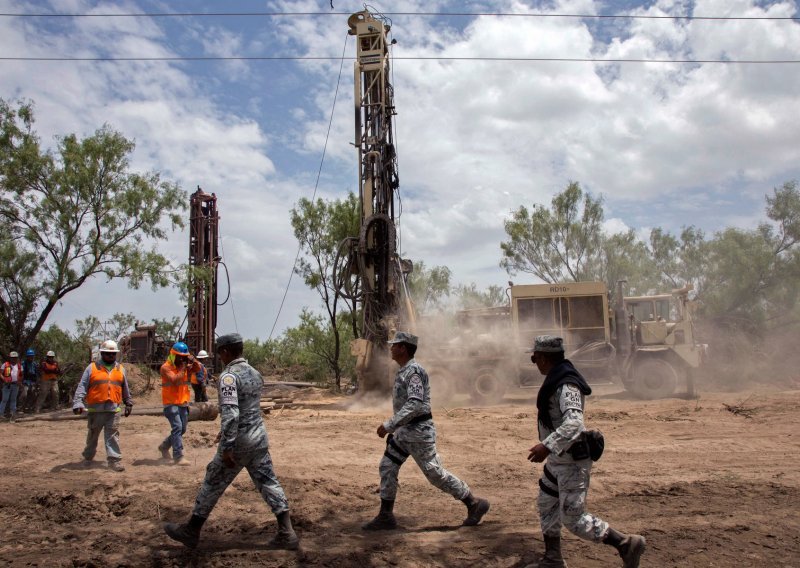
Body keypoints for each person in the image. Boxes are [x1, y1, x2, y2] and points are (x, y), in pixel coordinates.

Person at [164, 333, 299, 550]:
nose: (219, 358)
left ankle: (191, 530)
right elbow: (249, 408)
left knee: (213, 481)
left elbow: (232, 413)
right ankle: (287, 533)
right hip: (259, 438)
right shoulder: (255, 373)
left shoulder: (228, 377)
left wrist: (227, 445)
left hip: (239, 442)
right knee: (268, 482)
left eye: (220, 353)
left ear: (226, 352)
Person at [525, 335, 645, 568]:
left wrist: (546, 445)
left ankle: (625, 543)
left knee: (573, 518)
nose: (534, 362)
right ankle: (552, 559)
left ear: (544, 358)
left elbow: (574, 423)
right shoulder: (555, 379)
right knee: (546, 505)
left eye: (535, 358)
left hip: (571, 463)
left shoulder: (566, 386)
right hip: (557, 461)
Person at [363, 331, 490, 530]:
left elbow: (414, 404)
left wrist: (389, 425)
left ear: (403, 348)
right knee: (387, 466)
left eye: (394, 345)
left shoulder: (414, 372)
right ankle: (386, 515)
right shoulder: (405, 370)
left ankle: (474, 504)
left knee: (434, 474)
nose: (391, 348)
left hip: (419, 433)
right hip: (405, 433)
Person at [72, 340, 134, 472]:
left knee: (112, 436)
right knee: (93, 436)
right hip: (96, 410)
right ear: (102, 353)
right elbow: (82, 386)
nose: (111, 357)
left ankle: (114, 460)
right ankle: (88, 458)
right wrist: (78, 403)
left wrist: (128, 402)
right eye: (108, 354)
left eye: (113, 354)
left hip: (113, 410)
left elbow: (125, 388)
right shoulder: (92, 368)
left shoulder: (121, 369)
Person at [158, 341, 201, 466]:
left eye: (183, 357)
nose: (182, 359)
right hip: (171, 403)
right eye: (179, 357)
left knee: (182, 429)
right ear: (173, 355)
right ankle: (178, 456)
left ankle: (164, 446)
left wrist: (194, 360)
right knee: (177, 427)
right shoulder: (166, 367)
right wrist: (183, 369)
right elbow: (174, 380)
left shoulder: (184, 366)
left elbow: (198, 369)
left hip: (183, 402)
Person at [0, 352, 23, 422]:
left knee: (13, 400)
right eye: (13, 358)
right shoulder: (5, 364)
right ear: (10, 358)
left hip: (15, 385)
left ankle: (13, 414)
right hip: (7, 385)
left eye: (15, 358)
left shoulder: (19, 366)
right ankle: (0, 414)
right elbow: (0, 373)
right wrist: (4, 380)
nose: (14, 359)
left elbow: (21, 375)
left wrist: (20, 382)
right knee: (4, 399)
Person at [20, 348, 39, 412]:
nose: (31, 357)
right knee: (24, 394)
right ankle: (22, 407)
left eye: (32, 356)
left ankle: (30, 407)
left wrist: (36, 381)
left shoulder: (35, 364)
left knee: (34, 394)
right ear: (27, 356)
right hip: (25, 381)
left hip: (33, 381)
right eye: (30, 356)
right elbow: (21, 373)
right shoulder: (23, 363)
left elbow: (37, 373)